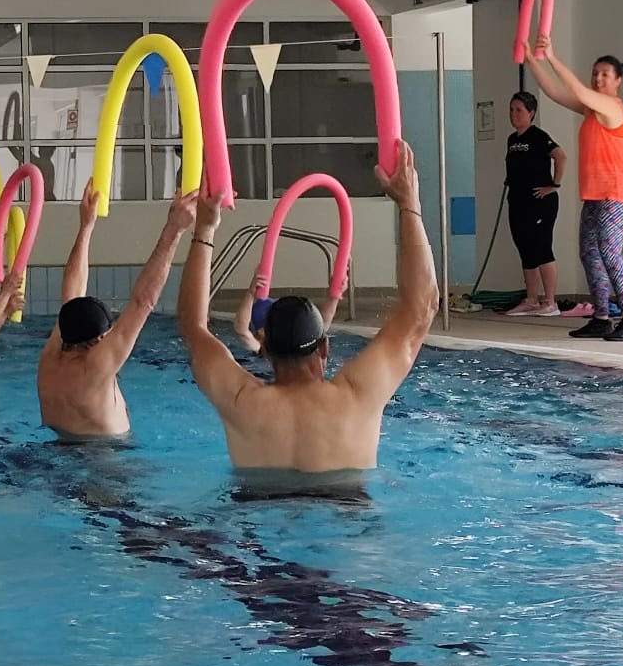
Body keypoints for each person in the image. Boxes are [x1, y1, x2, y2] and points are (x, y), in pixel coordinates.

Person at [179, 142, 437, 474]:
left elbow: (192, 325)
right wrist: (409, 205)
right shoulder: (357, 397)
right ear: (324, 347)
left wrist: (204, 228)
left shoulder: (243, 401)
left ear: (265, 348)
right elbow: (421, 308)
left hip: (257, 519)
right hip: (345, 517)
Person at [37, 185, 195, 440]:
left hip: (57, 449)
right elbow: (143, 302)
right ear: (100, 339)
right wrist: (173, 230)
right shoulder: (96, 366)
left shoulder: (52, 353)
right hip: (104, 463)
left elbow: (72, 294)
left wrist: (86, 227)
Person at [529, 35, 623, 341]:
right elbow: (554, 92)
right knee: (589, 253)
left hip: (615, 193)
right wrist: (531, 60)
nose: (597, 77)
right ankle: (602, 317)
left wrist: (551, 56)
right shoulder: (592, 110)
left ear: (618, 80)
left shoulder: (612, 107)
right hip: (594, 193)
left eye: (605, 74)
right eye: (595, 73)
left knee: (610, 253)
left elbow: (575, 89)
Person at [503, 90, 567, 315]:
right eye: (511, 110)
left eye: (519, 110)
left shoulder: (538, 136)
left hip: (540, 202)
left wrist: (554, 185)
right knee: (526, 250)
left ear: (531, 113)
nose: (514, 114)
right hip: (518, 202)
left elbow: (560, 156)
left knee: (541, 249)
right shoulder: (513, 139)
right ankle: (531, 299)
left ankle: (550, 301)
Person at [231, 271, 341, 356]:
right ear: (261, 332)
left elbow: (321, 325)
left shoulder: (293, 343)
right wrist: (250, 293)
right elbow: (242, 331)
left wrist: (334, 296)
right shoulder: (260, 348)